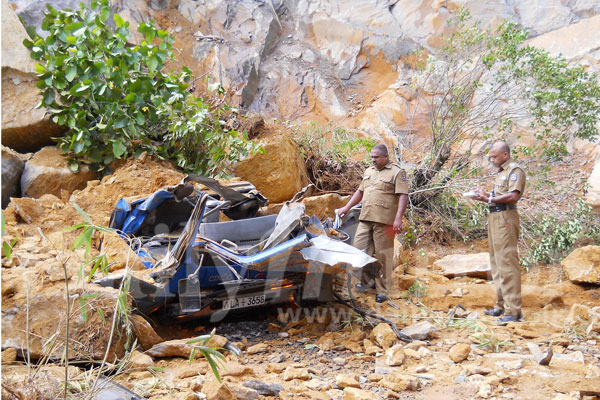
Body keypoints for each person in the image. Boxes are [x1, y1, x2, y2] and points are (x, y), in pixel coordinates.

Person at [335, 144, 409, 303]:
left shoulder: (397, 172)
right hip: (366, 217)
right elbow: (360, 191)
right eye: (372, 157)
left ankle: (382, 290)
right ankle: (368, 282)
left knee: (384, 256)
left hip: (385, 221)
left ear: (385, 157)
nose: (373, 159)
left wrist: (398, 218)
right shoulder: (369, 171)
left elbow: (403, 196)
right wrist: (347, 207)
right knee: (359, 251)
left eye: (376, 157)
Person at [471, 141, 526, 323]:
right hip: (495, 217)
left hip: (506, 218)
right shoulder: (502, 172)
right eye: (491, 156)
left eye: (494, 156)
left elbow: (513, 196)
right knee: (496, 262)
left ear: (505, 155)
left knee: (507, 262)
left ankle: (513, 311)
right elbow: (496, 198)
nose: (492, 159)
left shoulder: (515, 171)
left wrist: (490, 197)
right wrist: (485, 196)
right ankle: (502, 305)